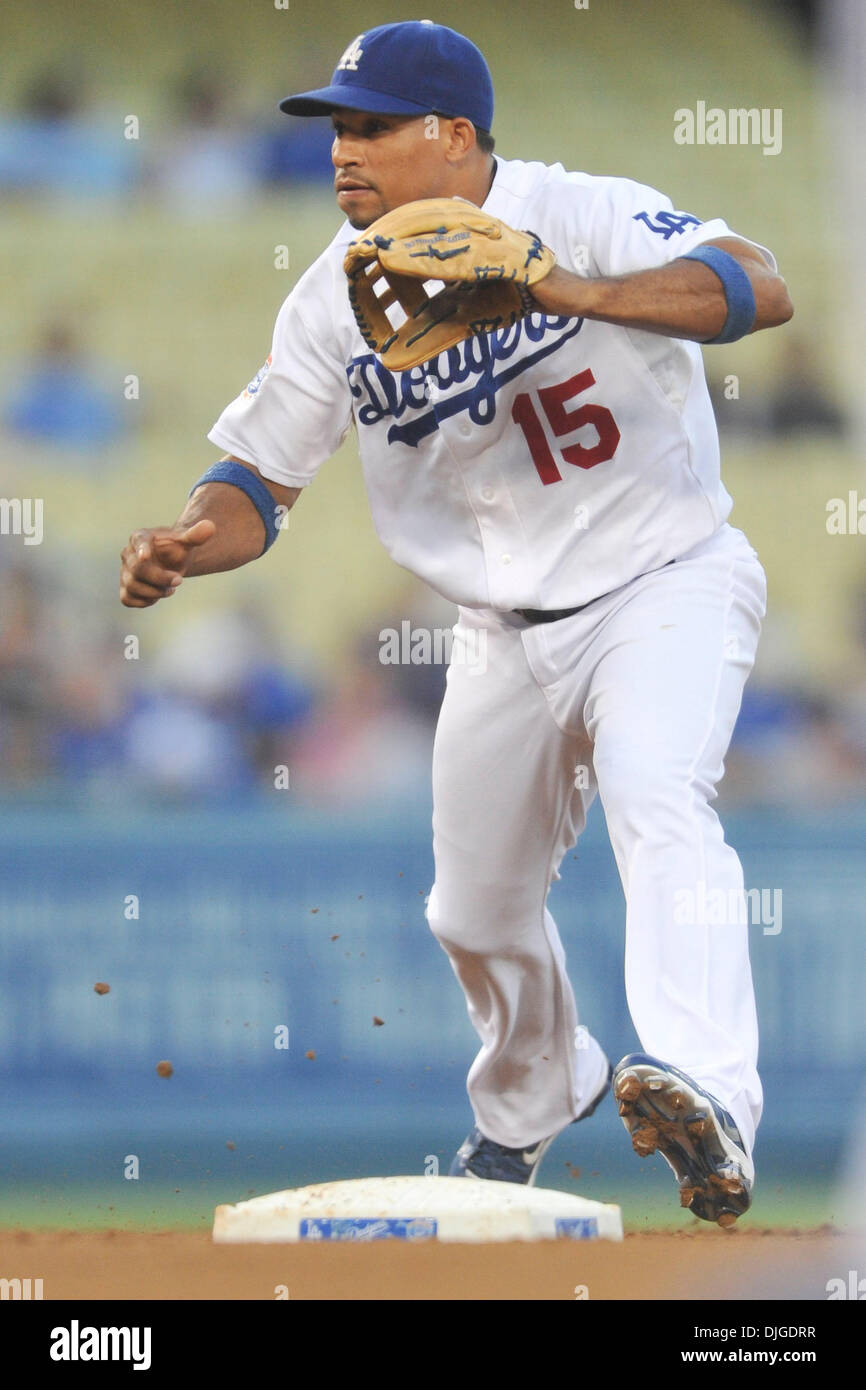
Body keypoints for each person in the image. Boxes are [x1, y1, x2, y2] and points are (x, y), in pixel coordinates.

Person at [119, 22, 793, 1226]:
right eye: (335, 127)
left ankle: (712, 1094)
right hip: (497, 627)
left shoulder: (574, 212)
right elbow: (257, 485)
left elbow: (757, 284)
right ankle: (534, 1097)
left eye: (371, 125)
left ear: (455, 135)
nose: (343, 150)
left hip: (664, 580)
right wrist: (186, 537)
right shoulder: (332, 291)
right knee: (470, 912)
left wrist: (565, 289)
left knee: (655, 792)